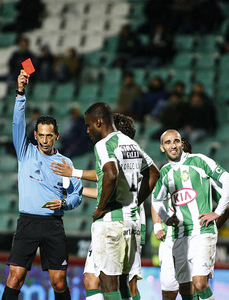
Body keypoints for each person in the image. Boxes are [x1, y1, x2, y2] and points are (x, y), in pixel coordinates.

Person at [1, 70, 82, 300]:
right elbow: (18, 123)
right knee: (15, 277)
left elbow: (77, 195)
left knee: (58, 282)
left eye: (49, 136)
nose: (45, 140)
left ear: (56, 136)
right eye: (41, 135)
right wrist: (20, 93)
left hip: (53, 225)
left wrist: (64, 203)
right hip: (27, 223)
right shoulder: (25, 153)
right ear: (35, 135)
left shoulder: (66, 163)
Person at [51, 113, 150, 300]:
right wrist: (77, 191)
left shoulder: (111, 149)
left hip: (120, 219)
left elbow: (108, 175)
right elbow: (104, 186)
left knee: (127, 282)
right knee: (92, 278)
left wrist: (75, 173)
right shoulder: (129, 153)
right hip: (123, 219)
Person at [83, 102, 159, 299]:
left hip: (111, 222)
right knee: (125, 284)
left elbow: (110, 173)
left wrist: (101, 208)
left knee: (108, 284)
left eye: (89, 125)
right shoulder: (131, 143)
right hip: (132, 223)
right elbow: (153, 173)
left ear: (98, 122)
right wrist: (136, 201)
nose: (88, 130)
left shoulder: (103, 144)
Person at [151, 129, 229, 299]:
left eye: (176, 141)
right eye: (168, 142)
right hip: (178, 236)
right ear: (162, 148)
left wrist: (216, 213)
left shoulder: (199, 161)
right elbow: (156, 200)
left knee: (199, 283)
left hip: (201, 232)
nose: (173, 145)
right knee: (184, 289)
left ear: (181, 143)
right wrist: (165, 220)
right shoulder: (165, 172)